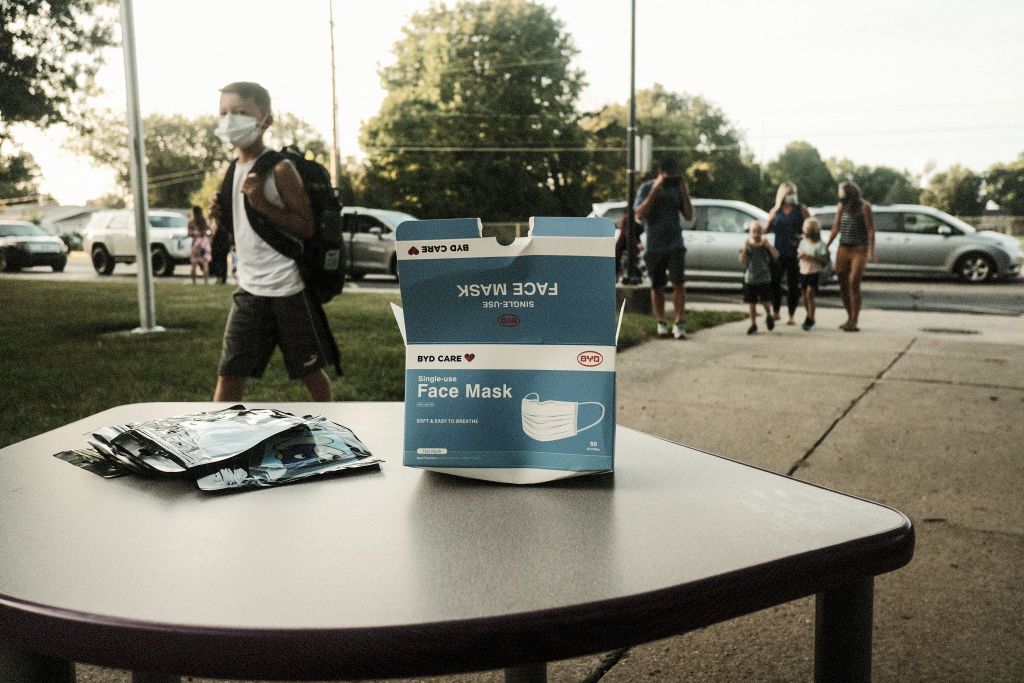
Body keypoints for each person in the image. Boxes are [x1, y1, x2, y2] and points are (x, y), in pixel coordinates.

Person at [208, 81, 339, 402]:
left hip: (288, 289)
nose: (230, 120)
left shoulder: (280, 168)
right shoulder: (232, 170)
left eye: (241, 112)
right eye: (224, 113)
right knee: (230, 374)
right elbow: (243, 229)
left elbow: (305, 226)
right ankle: (220, 439)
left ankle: (336, 431)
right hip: (250, 290)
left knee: (310, 373)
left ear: (266, 120)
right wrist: (220, 215)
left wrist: (260, 202)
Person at [634, 158, 694, 340]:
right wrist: (654, 191)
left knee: (679, 283)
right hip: (654, 244)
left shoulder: (677, 189)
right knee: (657, 285)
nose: (670, 180)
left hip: (675, 243)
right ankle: (661, 322)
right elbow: (638, 214)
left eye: (674, 177)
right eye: (668, 177)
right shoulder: (646, 187)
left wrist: (684, 193)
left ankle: (679, 323)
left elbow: (689, 216)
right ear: (660, 174)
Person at [827, 181, 875, 332]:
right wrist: (826, 246)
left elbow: (871, 231)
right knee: (842, 284)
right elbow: (835, 228)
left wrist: (871, 252)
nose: (839, 196)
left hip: (859, 249)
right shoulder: (841, 207)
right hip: (843, 248)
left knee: (854, 281)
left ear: (850, 193)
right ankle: (849, 317)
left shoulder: (864, 207)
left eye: (841, 193)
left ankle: (854, 320)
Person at [766, 181, 810, 325]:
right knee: (775, 283)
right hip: (778, 252)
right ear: (782, 194)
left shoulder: (801, 210)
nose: (790, 196)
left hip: (795, 253)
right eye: (788, 193)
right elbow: (765, 229)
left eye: (793, 193)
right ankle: (776, 312)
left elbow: (811, 230)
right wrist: (769, 222)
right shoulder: (775, 211)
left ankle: (791, 315)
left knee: (793, 285)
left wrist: (803, 238)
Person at [739, 220, 778, 335]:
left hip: (764, 278)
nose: (756, 235)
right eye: (754, 232)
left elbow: (776, 256)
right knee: (752, 303)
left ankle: (769, 315)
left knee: (765, 301)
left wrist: (769, 246)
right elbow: (741, 261)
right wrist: (745, 249)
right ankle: (753, 323)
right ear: (750, 233)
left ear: (762, 233)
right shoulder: (748, 245)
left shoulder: (765, 245)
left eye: (759, 232)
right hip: (751, 279)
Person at [797, 217, 829, 330]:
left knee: (810, 293)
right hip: (803, 271)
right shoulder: (803, 243)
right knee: (804, 295)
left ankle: (811, 318)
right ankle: (809, 316)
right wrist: (801, 256)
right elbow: (798, 255)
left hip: (814, 272)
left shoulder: (820, 245)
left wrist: (811, 257)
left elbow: (824, 260)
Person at [188, 206, 212, 285]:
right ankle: (206, 281)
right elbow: (210, 232)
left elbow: (189, 234)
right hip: (205, 244)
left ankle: (194, 282)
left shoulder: (191, 222)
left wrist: (194, 233)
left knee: (194, 264)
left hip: (195, 243)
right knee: (205, 264)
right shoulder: (205, 221)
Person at [209, 215, 231, 284]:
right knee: (224, 263)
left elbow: (216, 239)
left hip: (219, 248)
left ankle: (220, 277)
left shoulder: (220, 228)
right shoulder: (226, 227)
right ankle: (223, 278)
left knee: (219, 264)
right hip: (224, 248)